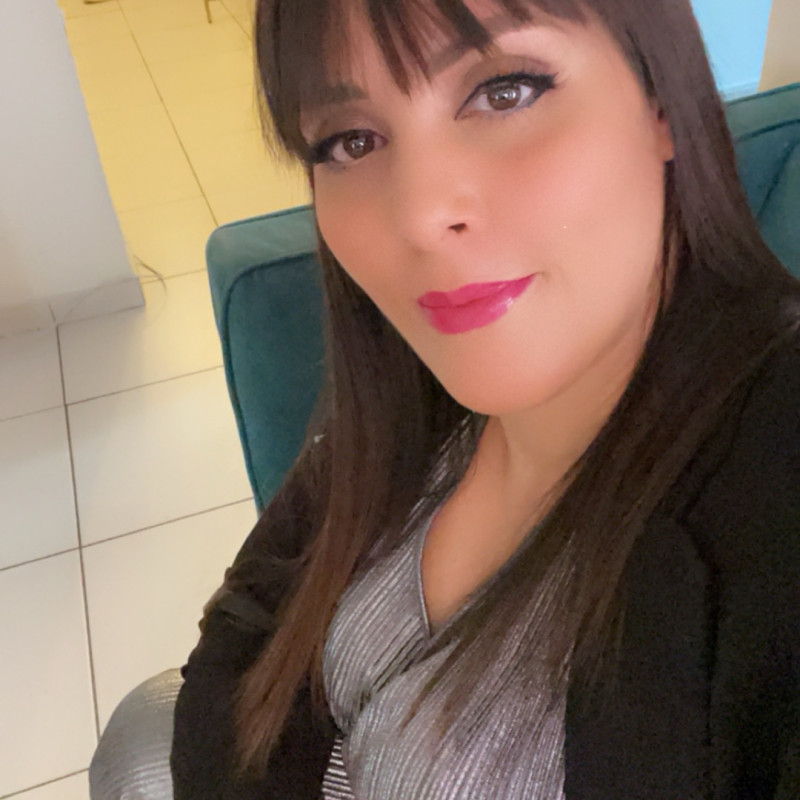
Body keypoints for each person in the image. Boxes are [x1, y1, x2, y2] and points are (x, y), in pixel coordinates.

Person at [169, 0, 800, 798]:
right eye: (351, 141)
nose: (419, 215)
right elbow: (241, 641)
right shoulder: (407, 400)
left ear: (661, 100)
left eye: (506, 92)